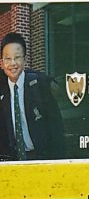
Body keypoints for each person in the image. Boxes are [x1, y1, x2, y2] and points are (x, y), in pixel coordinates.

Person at [0, 32, 65, 161]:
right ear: (1, 63)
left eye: (17, 57)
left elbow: (57, 130)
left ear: (24, 59)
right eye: (7, 59)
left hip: (41, 160)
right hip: (12, 163)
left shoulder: (40, 86)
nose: (12, 63)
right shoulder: (2, 90)